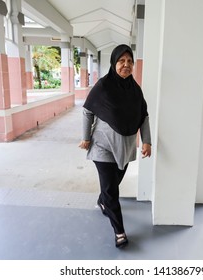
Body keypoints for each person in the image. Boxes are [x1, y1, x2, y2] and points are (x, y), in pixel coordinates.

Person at [78, 44, 151, 248]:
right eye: (121, 61)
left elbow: (143, 116)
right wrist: (86, 138)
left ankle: (102, 201)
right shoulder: (103, 86)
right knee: (112, 191)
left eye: (129, 61)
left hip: (125, 147)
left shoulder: (136, 90)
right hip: (102, 146)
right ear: (114, 63)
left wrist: (147, 141)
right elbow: (87, 111)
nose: (126, 65)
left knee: (113, 184)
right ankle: (119, 231)